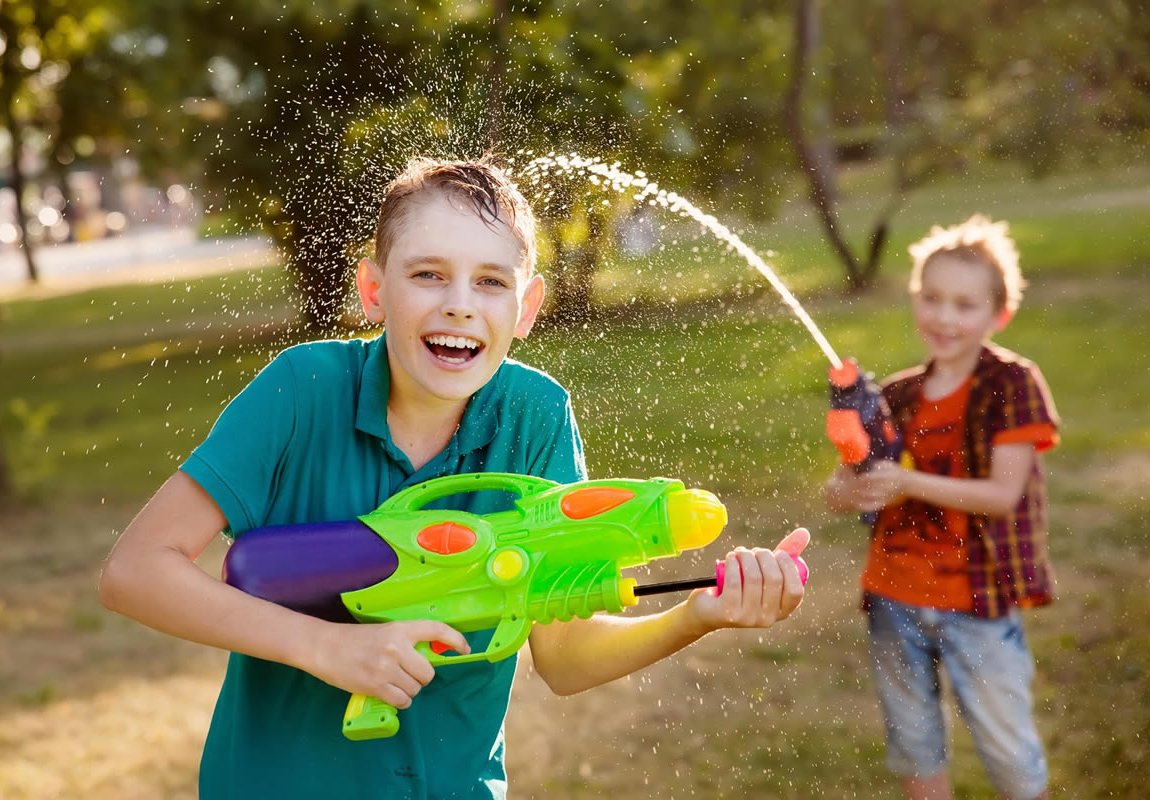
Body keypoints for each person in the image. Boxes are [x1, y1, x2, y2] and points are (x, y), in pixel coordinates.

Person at [99, 157, 809, 800]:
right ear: (373, 290)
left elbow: (561, 656)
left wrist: (697, 616)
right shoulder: (301, 390)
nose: (460, 304)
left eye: (491, 283)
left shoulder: (534, 417)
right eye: (428, 274)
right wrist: (327, 648)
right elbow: (134, 571)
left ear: (525, 309)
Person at [825, 214, 1058, 800]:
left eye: (964, 304)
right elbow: (839, 489)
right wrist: (850, 487)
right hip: (893, 598)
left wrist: (908, 484)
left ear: (997, 314)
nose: (945, 318)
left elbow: (1003, 496)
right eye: (932, 299)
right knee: (914, 744)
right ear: (915, 300)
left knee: (1009, 752)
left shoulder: (1012, 385)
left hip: (977, 603)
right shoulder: (895, 396)